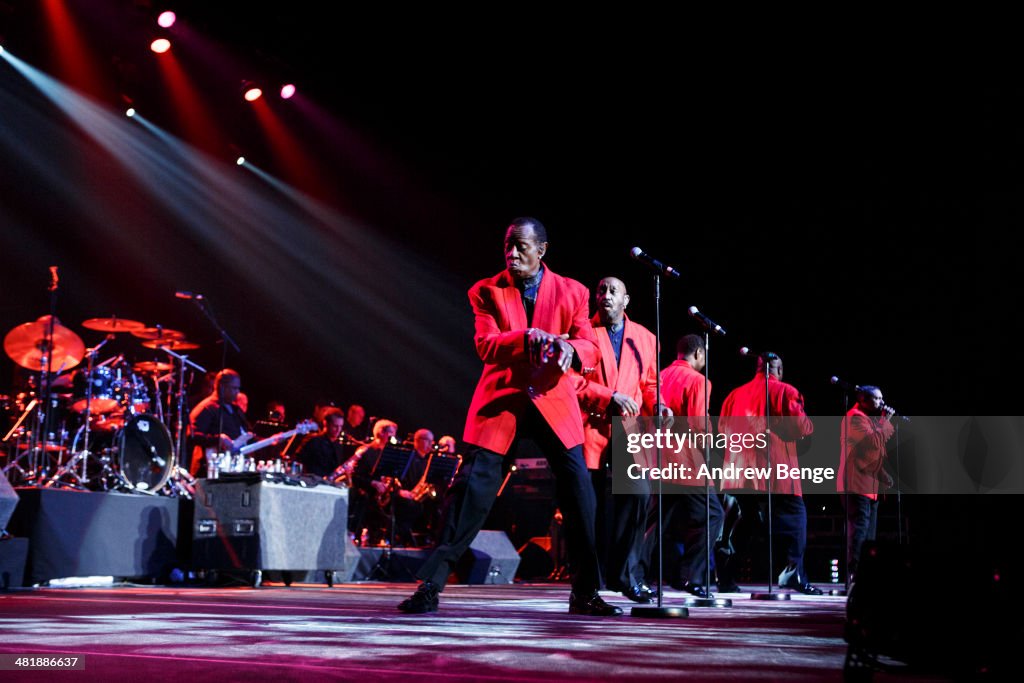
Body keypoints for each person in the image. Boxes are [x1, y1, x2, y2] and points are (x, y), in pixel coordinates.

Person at [398, 217, 620, 616]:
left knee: (580, 494)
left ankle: (585, 592)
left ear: (542, 250)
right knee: (470, 495)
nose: (512, 253)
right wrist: (525, 338)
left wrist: (572, 351)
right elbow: (486, 345)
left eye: (520, 246)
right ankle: (430, 585)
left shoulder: (573, 291)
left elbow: (590, 345)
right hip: (503, 404)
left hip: (554, 402)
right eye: (507, 246)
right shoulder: (485, 291)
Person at [575, 276, 670, 604]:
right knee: (590, 507)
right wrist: (607, 396)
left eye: (613, 290)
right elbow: (572, 380)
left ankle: (628, 574)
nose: (605, 295)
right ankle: (590, 581)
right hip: (591, 427)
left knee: (639, 496)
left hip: (630, 430)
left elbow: (651, 385)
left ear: (626, 300)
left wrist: (659, 405)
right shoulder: (583, 331)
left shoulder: (645, 338)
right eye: (601, 290)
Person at [718, 352, 822, 595]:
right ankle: (791, 573)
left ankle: (726, 576)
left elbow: (722, 430)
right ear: (780, 370)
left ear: (757, 368)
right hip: (773, 468)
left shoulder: (734, 394)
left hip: (738, 470)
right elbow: (802, 427)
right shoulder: (786, 391)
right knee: (796, 518)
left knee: (745, 522)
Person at [657, 333, 725, 597]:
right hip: (686, 460)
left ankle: (631, 575)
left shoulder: (660, 375)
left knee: (655, 521)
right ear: (698, 353)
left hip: (656, 457)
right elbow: (698, 426)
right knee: (713, 514)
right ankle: (689, 577)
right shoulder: (699, 381)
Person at [839, 385, 896, 582]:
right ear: (863, 398)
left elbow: (872, 454)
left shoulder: (868, 419)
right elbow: (872, 443)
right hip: (856, 483)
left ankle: (865, 573)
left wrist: (882, 474)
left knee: (869, 533)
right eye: (877, 399)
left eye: (882, 398)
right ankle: (854, 573)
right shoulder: (855, 417)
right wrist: (885, 421)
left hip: (870, 484)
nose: (882, 403)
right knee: (859, 530)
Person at [340, 418, 398, 542]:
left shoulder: (387, 454)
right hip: (366, 493)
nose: (394, 437)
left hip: (380, 495)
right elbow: (355, 477)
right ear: (381, 433)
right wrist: (373, 483)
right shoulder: (366, 451)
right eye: (391, 433)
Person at [188, 369, 252, 477]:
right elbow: (191, 435)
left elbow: (247, 434)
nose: (237, 392)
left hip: (230, 470)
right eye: (234, 388)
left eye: (238, 388)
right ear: (222, 387)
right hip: (209, 471)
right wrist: (218, 439)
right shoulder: (207, 408)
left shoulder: (235, 409)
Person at [294, 406, 346, 477]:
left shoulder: (338, 446)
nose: (338, 430)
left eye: (340, 426)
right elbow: (297, 461)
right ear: (325, 423)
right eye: (335, 426)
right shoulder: (313, 440)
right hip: (311, 482)